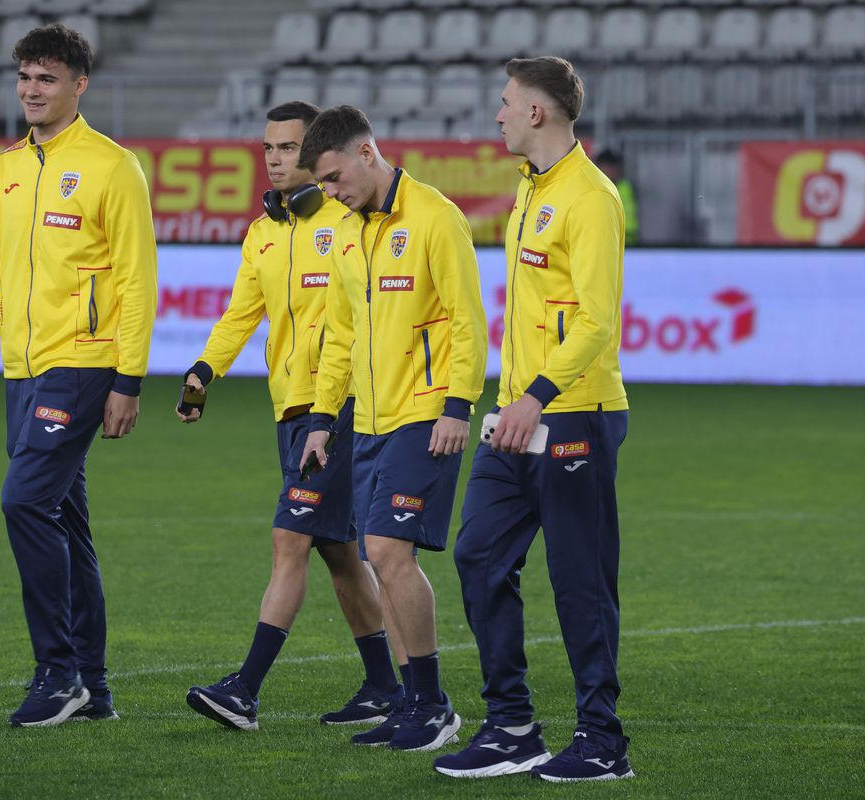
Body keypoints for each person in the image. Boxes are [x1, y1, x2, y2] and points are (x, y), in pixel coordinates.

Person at [0, 23, 157, 728]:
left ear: (80, 85)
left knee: (23, 502)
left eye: (46, 78)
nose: (30, 90)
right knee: (66, 527)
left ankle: (58, 673)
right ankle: (95, 689)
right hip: (21, 370)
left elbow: (138, 281)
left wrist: (128, 379)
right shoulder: (7, 167)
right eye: (24, 76)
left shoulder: (113, 167)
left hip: (83, 363)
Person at [431, 57, 633, 782]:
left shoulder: (591, 197)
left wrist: (535, 395)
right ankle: (513, 726)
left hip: (573, 412)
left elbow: (597, 323)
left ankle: (603, 741)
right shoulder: (530, 190)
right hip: (515, 416)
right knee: (478, 556)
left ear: (539, 113)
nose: (499, 114)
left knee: (581, 582)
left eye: (507, 103)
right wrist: (514, 400)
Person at [180, 101, 404, 733]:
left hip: (337, 409)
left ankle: (244, 690)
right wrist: (204, 371)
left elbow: (350, 325)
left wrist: (326, 415)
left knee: (291, 538)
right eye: (268, 148)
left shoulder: (350, 219)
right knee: (339, 553)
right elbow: (240, 314)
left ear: (318, 151)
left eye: (289, 147)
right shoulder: (264, 231)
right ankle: (386, 687)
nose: (276, 158)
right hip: (291, 408)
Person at [298, 105, 487, 752]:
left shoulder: (435, 218)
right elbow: (342, 335)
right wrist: (324, 421)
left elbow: (468, 321)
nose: (330, 192)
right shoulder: (349, 231)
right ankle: (416, 703)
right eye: (321, 185)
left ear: (366, 153)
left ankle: (433, 707)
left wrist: (458, 405)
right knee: (381, 554)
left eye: (332, 177)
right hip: (370, 421)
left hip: (425, 415)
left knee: (387, 553)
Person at [594, 148, 638, 246]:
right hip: (605, 240)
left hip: (630, 242)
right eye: (607, 167)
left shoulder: (626, 188)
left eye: (613, 167)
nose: (611, 171)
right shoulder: (594, 189)